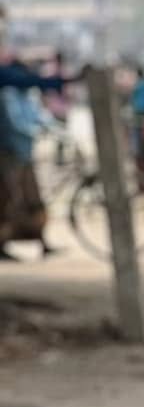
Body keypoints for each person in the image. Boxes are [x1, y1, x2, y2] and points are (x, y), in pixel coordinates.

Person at [0, 54, 66, 260]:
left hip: (24, 153)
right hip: (9, 154)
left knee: (33, 198)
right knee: (9, 199)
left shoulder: (25, 94)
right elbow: (15, 124)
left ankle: (42, 242)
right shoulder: (8, 94)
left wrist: (56, 129)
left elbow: (38, 116)